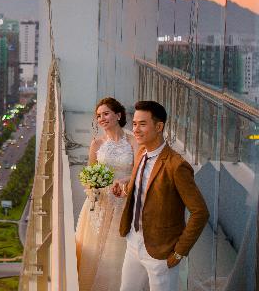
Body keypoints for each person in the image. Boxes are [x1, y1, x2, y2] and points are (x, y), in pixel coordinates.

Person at [115, 101, 209, 291]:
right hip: (134, 242)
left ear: (159, 127)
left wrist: (179, 252)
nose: (136, 129)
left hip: (161, 253)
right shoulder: (141, 152)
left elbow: (200, 212)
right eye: (134, 124)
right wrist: (125, 190)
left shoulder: (177, 166)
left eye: (142, 124)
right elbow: (144, 189)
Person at [76, 97, 138, 291]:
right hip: (100, 203)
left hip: (123, 200)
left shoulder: (133, 140)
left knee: (118, 250)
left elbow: (137, 170)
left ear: (118, 115)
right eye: (98, 116)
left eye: (106, 113)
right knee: (94, 248)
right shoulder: (96, 144)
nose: (101, 118)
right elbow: (88, 174)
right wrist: (92, 189)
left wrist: (124, 182)